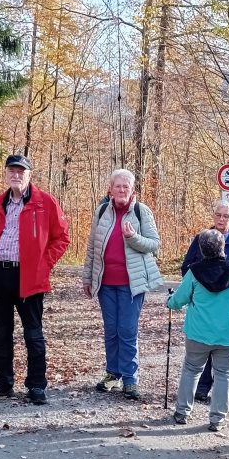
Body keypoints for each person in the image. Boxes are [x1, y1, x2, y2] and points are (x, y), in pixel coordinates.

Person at [0, 154, 70, 405]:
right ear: (5, 174)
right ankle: (3, 382)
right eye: (11, 171)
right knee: (2, 332)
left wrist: (44, 264)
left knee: (33, 333)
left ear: (29, 175)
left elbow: (61, 239)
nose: (15, 176)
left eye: (21, 172)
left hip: (29, 277)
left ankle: (37, 384)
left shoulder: (45, 202)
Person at [167, 228, 229, 432]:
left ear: (201, 250)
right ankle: (217, 419)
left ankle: (182, 412)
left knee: (191, 369)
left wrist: (170, 301)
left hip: (198, 333)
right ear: (223, 249)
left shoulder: (194, 272)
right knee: (223, 374)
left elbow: (178, 301)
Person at [82, 169, 163, 401]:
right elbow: (92, 248)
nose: (121, 190)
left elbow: (155, 244)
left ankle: (130, 379)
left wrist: (133, 238)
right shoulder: (101, 212)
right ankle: (112, 373)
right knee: (111, 330)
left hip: (131, 284)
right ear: (110, 189)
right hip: (105, 283)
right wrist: (87, 277)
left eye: (126, 187)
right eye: (118, 186)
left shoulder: (141, 211)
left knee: (127, 330)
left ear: (133, 190)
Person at [180, 200, 229, 404]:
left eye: (226, 216)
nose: (222, 219)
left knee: (216, 350)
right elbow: (187, 267)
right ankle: (201, 389)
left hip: (228, 307)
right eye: (218, 215)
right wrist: (197, 284)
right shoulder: (202, 239)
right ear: (213, 216)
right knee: (203, 347)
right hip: (204, 304)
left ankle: (207, 394)